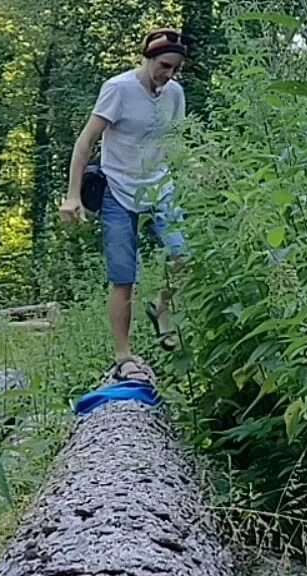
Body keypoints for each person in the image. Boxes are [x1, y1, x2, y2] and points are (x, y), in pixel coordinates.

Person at [59, 28, 189, 383]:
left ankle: (162, 310)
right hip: (117, 188)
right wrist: (72, 197)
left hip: (160, 186)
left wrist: (194, 175)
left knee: (183, 257)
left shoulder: (174, 94)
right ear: (147, 59)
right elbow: (85, 142)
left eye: (175, 69)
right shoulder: (118, 89)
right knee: (123, 277)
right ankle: (123, 356)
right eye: (164, 66)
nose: (169, 74)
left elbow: (175, 143)